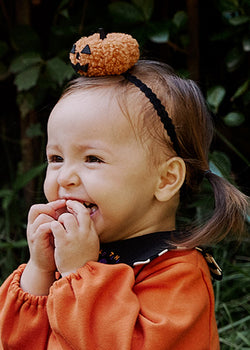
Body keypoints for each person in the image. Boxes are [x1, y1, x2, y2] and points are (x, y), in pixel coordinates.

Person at [0, 32, 248, 350]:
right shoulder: (76, 255)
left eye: (93, 159)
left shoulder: (177, 274)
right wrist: (40, 269)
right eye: (56, 158)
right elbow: (16, 342)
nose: (65, 177)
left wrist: (80, 272)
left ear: (165, 180)